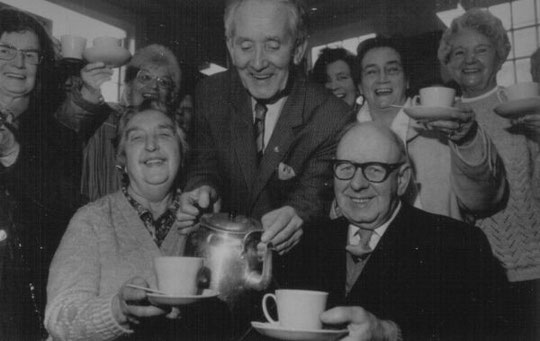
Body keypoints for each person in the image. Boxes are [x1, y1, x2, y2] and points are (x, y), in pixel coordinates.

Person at [298, 122, 512, 340]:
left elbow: (485, 331)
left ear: (401, 180)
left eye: (374, 170)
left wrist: (389, 333)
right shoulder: (310, 241)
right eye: (345, 168)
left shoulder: (457, 243)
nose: (356, 183)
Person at [46, 103, 229, 341]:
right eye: (137, 138)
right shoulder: (92, 220)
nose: (151, 145)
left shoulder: (202, 222)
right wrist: (117, 310)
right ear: (122, 159)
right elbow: (59, 317)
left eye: (164, 134)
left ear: (182, 151)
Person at [438, 8, 540, 339]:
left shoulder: (524, 105)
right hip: (470, 274)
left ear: (499, 56)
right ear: (448, 62)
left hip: (532, 269)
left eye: (481, 49)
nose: (470, 60)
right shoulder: (438, 116)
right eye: (460, 52)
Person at [349, 36, 506, 222]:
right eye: (371, 72)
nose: (382, 78)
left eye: (392, 70)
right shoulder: (346, 138)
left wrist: (467, 140)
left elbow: (483, 201)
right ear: (360, 86)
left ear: (407, 81)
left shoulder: (442, 127)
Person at [0, 8, 83, 339]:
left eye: (29, 55)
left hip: (26, 306)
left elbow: (62, 212)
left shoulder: (59, 138)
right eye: (5, 51)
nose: (18, 64)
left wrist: (12, 154)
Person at [56, 44, 182, 202]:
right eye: (145, 77)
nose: (154, 86)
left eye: (164, 82)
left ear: (171, 95)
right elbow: (67, 122)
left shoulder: (175, 135)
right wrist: (88, 92)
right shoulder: (104, 118)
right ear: (129, 84)